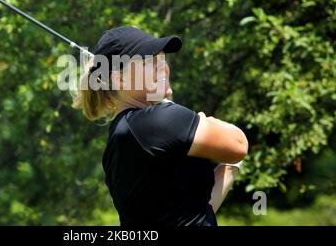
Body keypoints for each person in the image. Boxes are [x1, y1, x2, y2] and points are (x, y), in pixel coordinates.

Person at [72, 26, 248, 226]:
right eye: (151, 62)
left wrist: (230, 167)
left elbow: (194, 214)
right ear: (120, 79)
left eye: (162, 59)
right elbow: (239, 144)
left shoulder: (122, 134)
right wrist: (204, 120)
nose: (163, 67)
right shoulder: (157, 122)